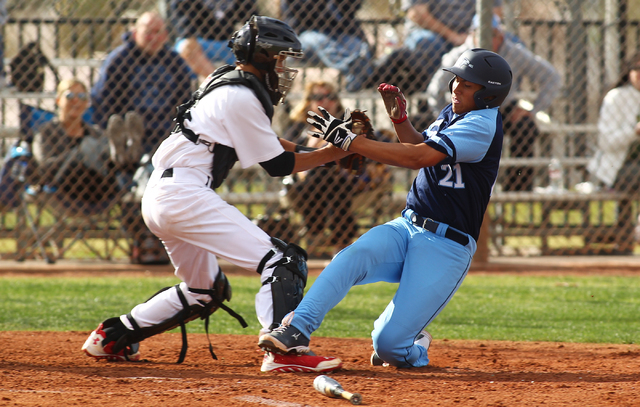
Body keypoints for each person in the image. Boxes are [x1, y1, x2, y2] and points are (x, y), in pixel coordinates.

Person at [82, 15, 348, 374]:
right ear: (263, 56)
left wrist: (330, 155)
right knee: (283, 261)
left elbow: (272, 144)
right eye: (280, 58)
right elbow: (279, 164)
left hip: (164, 192)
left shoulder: (230, 86)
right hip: (183, 193)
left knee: (204, 289)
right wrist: (336, 153)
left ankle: (112, 335)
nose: (284, 67)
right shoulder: (241, 96)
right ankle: (285, 349)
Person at [258, 48, 512, 368]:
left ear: (489, 93)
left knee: (389, 347)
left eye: (468, 84)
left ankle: (413, 344)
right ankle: (296, 329)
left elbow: (418, 159)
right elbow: (418, 145)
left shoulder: (481, 124)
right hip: (408, 226)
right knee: (350, 258)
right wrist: (400, 121)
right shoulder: (456, 111)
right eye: (457, 79)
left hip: (447, 245)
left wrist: (350, 141)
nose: (457, 87)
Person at [427, 14, 562, 191]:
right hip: (466, 111)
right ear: (472, 35)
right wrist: (445, 117)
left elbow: (551, 77)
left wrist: (534, 110)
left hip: (501, 109)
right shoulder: (462, 54)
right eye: (482, 34)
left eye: (493, 34)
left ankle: (517, 188)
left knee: (526, 125)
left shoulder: (513, 51)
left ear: (501, 36)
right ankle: (461, 186)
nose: (488, 40)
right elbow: (435, 89)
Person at [91, 11, 195, 156]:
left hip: (164, 130)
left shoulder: (175, 62)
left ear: (165, 35)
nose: (153, 38)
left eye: (157, 32)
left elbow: (184, 100)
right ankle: (125, 150)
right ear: (135, 34)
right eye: (147, 32)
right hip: (129, 128)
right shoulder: (119, 60)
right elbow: (104, 99)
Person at [31, 79, 138, 213]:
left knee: (102, 148)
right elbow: (45, 167)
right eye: (70, 96)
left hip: (100, 187)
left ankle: (126, 155)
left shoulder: (95, 132)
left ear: (87, 103)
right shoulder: (46, 132)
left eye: (82, 97)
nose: (76, 101)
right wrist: (77, 153)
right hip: (65, 188)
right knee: (89, 145)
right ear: (58, 100)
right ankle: (120, 151)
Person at [282, 81, 359, 257]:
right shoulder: (298, 128)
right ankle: (340, 245)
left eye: (330, 97)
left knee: (329, 174)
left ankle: (314, 230)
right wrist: (317, 142)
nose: (325, 102)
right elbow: (286, 157)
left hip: (341, 181)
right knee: (325, 174)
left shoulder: (348, 126)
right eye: (318, 97)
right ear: (308, 101)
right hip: (302, 184)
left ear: (337, 101)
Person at [372, 0, 475, 96]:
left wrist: (474, 34)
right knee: (431, 44)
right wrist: (453, 37)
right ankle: (431, 100)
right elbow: (417, 14)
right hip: (428, 32)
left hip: (468, 33)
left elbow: (488, 13)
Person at [281, 0, 373, 92]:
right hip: (303, 35)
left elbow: (352, 7)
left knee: (356, 43)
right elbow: (310, 14)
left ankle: (366, 75)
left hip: (336, 34)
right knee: (321, 41)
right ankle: (351, 67)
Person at [587, 51, 640, 194]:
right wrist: (634, 132)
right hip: (619, 167)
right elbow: (606, 142)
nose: (639, 73)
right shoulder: (616, 98)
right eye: (635, 69)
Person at [169, 0, 257, 78]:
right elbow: (186, 31)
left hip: (229, 43)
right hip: (201, 44)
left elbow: (253, 21)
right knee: (186, 46)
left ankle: (248, 86)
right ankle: (217, 82)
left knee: (258, 45)